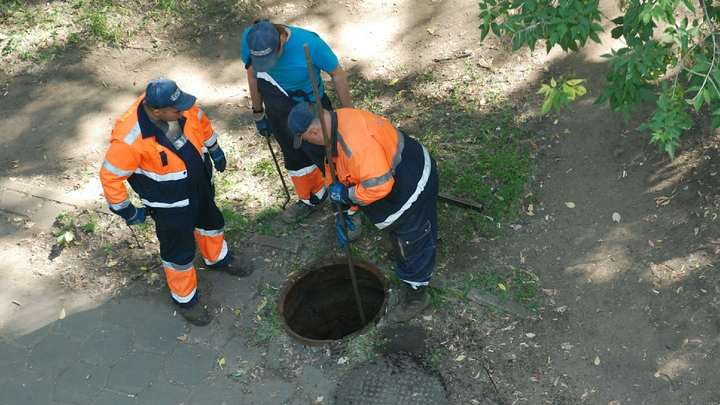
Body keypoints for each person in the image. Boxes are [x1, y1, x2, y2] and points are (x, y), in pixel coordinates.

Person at [99, 78, 253, 327]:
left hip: (200, 185)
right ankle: (185, 298)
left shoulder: (181, 105)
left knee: (211, 223)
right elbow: (110, 176)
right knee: (178, 252)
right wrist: (127, 211)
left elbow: (201, 121)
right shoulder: (130, 139)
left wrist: (214, 149)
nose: (183, 111)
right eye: (176, 110)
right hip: (169, 204)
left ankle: (217, 258)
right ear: (157, 112)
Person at [287, 102, 440, 323]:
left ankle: (417, 297)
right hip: (404, 167)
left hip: (412, 187)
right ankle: (417, 242)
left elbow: (379, 186)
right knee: (409, 236)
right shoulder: (336, 122)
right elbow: (338, 169)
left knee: (412, 243)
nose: (308, 144)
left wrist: (347, 197)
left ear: (314, 132)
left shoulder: (357, 144)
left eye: (307, 140)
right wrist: (341, 211)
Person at [240, 19, 361, 236]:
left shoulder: (310, 44)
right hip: (278, 109)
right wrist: (258, 112)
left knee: (331, 159)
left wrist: (349, 114)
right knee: (294, 156)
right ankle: (312, 196)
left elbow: (337, 74)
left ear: (281, 41)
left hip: (310, 110)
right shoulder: (252, 40)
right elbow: (253, 76)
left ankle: (349, 209)